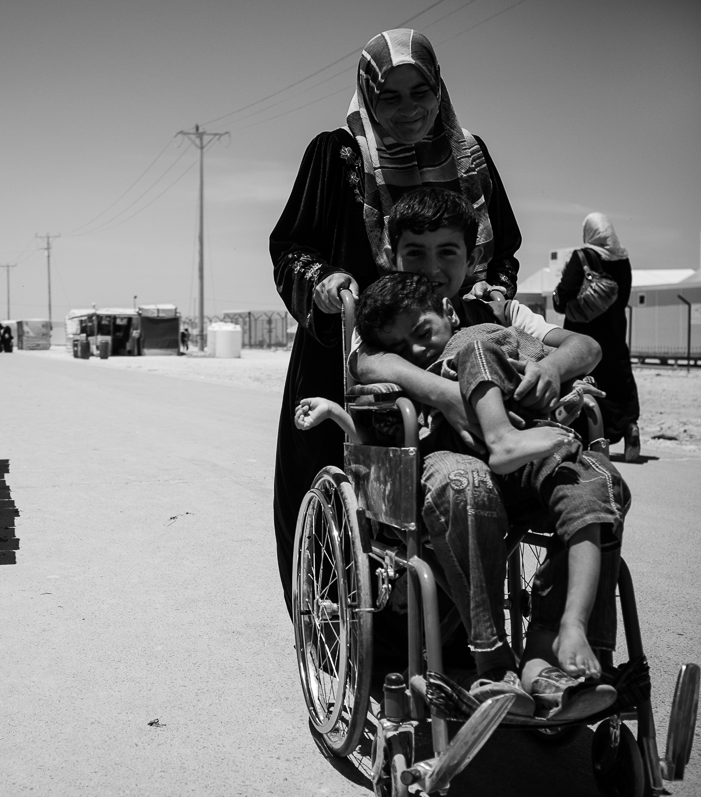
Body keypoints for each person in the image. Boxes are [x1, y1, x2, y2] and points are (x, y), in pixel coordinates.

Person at [270, 28, 522, 622]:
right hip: (355, 357)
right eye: (391, 96)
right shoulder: (338, 155)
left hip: (456, 343)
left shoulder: (470, 156)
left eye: (421, 92)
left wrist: (494, 289)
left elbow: (502, 248)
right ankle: (343, 627)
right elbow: (290, 247)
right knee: (355, 513)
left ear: (439, 91)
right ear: (368, 97)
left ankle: (468, 642)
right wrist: (324, 281)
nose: (408, 110)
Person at [353, 191, 623, 717]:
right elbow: (366, 363)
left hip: (528, 455)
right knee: (465, 483)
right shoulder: (387, 304)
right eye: (416, 254)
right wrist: (445, 394)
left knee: (599, 480)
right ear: (393, 253)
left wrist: (551, 368)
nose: (432, 268)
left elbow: (586, 347)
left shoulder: (498, 308)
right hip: (447, 459)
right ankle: (492, 664)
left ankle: (549, 653)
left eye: (447, 252)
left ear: (471, 254)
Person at [554, 213, 642, 461]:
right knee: (618, 380)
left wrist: (559, 298)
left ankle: (590, 438)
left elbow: (562, 298)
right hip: (614, 333)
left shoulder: (582, 256)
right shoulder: (623, 261)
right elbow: (622, 298)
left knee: (587, 383)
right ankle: (629, 426)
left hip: (584, 336)